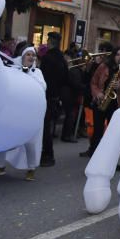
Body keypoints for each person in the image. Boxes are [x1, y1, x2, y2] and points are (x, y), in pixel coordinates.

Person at [0, 46, 45, 181]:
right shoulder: (13, 70)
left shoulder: (37, 72)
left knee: (30, 142)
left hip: (30, 114)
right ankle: (0, 166)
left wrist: (28, 75)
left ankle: (31, 169)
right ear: (23, 57)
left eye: (33, 55)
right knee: (3, 138)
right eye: (28, 54)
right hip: (14, 112)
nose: (31, 57)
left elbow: (42, 87)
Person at [82, 47, 120, 158]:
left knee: (112, 132)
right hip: (101, 101)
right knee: (97, 130)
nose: (119, 57)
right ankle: (93, 152)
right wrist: (98, 93)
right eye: (118, 55)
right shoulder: (103, 67)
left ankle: (110, 156)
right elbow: (93, 82)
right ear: (114, 55)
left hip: (116, 105)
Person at [37, 32, 68, 167]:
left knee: (44, 127)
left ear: (49, 42)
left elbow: (42, 78)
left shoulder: (47, 58)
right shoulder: (62, 58)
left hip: (46, 96)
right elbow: (65, 78)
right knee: (47, 126)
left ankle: (47, 155)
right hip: (56, 96)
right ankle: (47, 154)